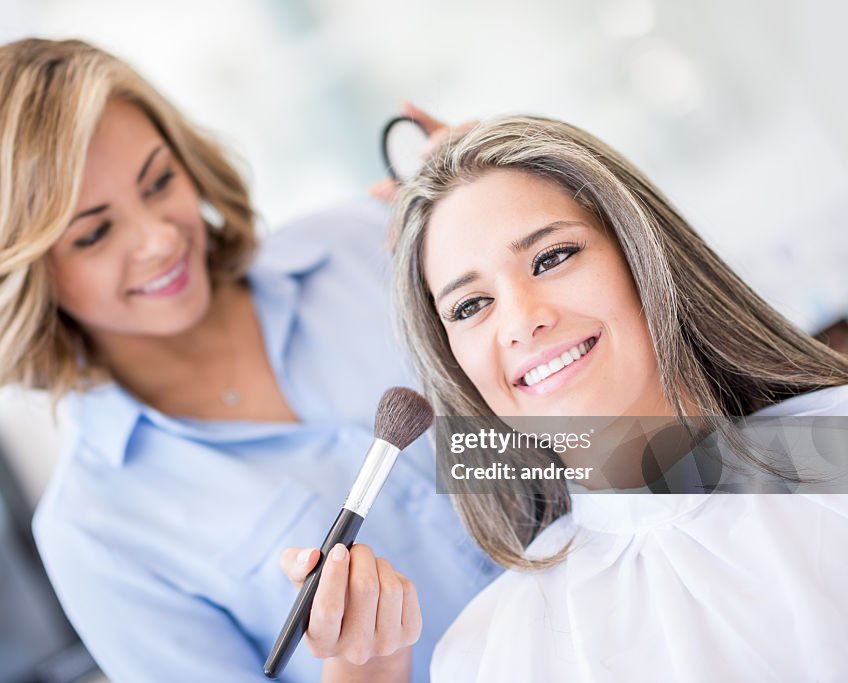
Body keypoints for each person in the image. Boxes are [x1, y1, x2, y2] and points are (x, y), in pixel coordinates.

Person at [0, 38, 501, 683]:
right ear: (24, 276)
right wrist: (366, 670)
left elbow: (610, 436)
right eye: (94, 233)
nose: (161, 238)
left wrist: (516, 205)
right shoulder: (96, 534)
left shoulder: (366, 242)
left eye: (160, 181)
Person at [282, 115, 848, 681]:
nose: (523, 321)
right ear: (454, 365)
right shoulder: (486, 655)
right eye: (471, 305)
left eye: (551, 258)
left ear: (643, 251)